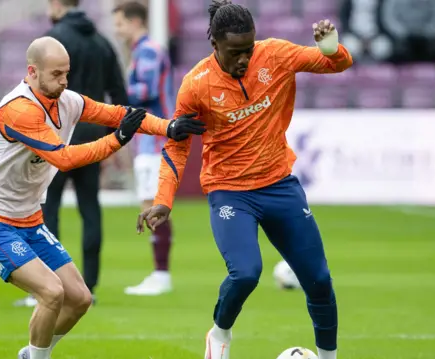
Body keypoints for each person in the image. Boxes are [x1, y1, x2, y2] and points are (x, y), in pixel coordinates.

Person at [0, 36, 204, 359]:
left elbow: (118, 114)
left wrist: (169, 127)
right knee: (51, 292)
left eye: (66, 73)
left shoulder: (67, 101)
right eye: (56, 75)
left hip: (28, 221)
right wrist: (118, 141)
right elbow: (64, 159)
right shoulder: (19, 110)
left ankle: (31, 353)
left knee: (79, 298)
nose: (64, 82)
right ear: (32, 72)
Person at [137, 1, 353, 359]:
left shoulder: (276, 56)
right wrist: (164, 198)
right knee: (246, 273)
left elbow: (338, 64)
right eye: (235, 52)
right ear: (215, 46)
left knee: (318, 280)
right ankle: (220, 333)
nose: (244, 59)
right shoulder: (196, 85)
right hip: (230, 193)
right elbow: (176, 147)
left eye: (248, 50)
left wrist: (330, 46)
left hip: (279, 185)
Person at [18, 0, 130, 307]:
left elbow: (35, 92)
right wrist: (109, 140)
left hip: (56, 139)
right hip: (92, 139)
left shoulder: (52, 43)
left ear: (56, 4)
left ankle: (47, 286)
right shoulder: (102, 42)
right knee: (90, 209)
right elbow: (120, 96)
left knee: (45, 210)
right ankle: (88, 287)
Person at [112, 1, 175, 296]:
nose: (117, 28)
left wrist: (116, 91)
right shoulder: (142, 50)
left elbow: (146, 90)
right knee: (149, 204)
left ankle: (161, 275)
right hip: (148, 139)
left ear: (136, 21)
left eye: (120, 23)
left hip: (156, 138)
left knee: (152, 204)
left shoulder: (148, 50)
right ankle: (159, 273)